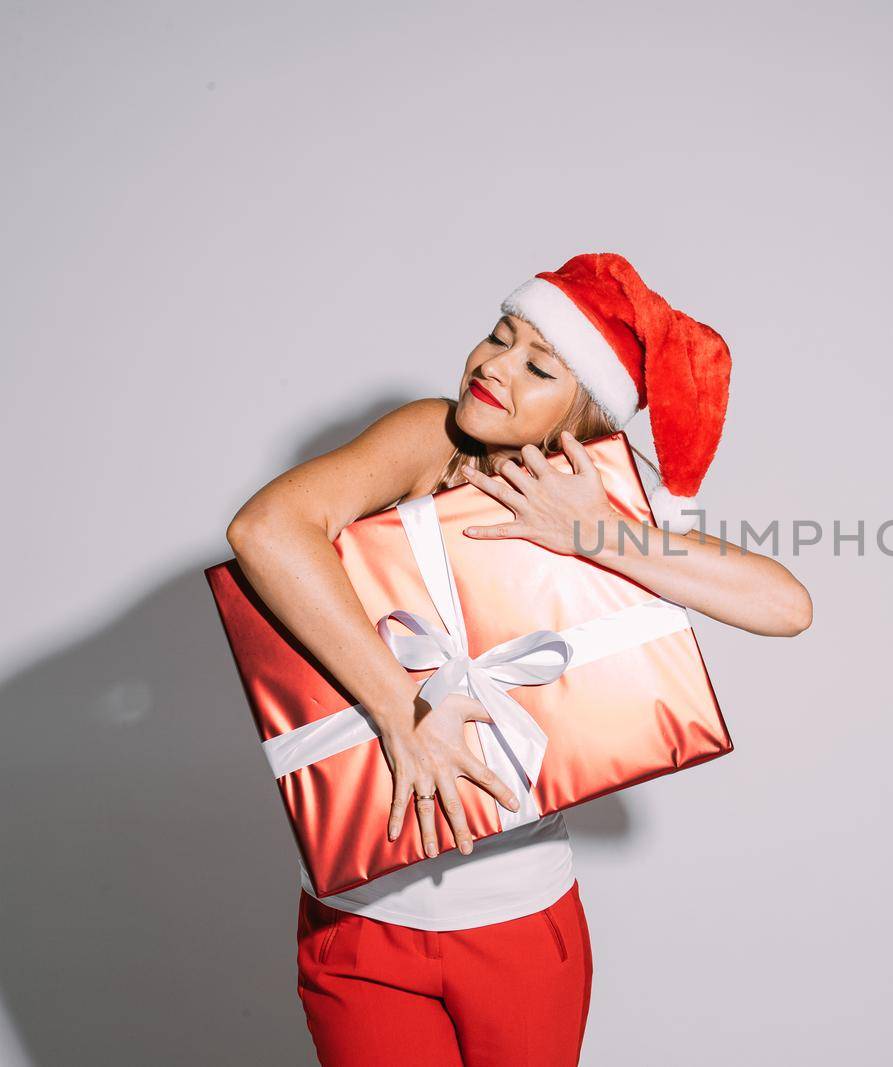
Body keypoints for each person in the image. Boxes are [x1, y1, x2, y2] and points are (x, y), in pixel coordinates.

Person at [225, 252, 812, 1066]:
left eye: (537, 366)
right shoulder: (432, 436)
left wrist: (598, 534)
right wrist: (405, 713)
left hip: (522, 925)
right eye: (498, 337)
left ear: (585, 412)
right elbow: (267, 531)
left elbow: (786, 606)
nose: (494, 367)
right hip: (359, 922)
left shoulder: (599, 492)